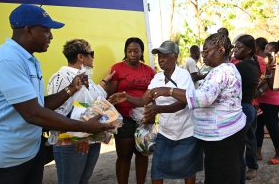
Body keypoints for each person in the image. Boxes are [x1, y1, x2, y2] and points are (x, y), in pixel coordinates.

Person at [0, 4, 113, 184]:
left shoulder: (30, 60)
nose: (51, 36)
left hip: (28, 152)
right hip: (2, 157)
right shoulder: (7, 59)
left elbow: (38, 104)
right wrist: (85, 127)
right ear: (28, 31)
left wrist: (70, 89)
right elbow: (32, 113)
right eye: (46, 31)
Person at [149, 28, 246, 184]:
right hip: (224, 134)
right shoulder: (224, 70)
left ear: (221, 50)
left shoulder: (221, 72)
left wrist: (170, 91)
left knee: (221, 177)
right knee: (226, 174)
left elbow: (204, 98)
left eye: (207, 51)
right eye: (203, 52)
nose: (204, 55)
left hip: (222, 137)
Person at [109, 40, 203, 184]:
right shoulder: (158, 77)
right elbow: (143, 100)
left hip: (185, 131)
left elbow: (184, 103)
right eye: (159, 56)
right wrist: (126, 97)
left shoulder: (183, 75)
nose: (161, 59)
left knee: (187, 170)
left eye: (165, 55)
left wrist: (159, 109)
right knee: (157, 171)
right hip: (166, 132)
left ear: (175, 56)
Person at [47, 39, 115, 184]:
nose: (93, 58)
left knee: (83, 180)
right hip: (71, 142)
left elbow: (95, 98)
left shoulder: (85, 77)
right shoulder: (61, 77)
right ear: (80, 57)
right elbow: (56, 112)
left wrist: (105, 81)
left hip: (91, 139)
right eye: (91, 54)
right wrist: (79, 136)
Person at [106, 37, 155, 184]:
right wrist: (115, 120)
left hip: (144, 118)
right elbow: (111, 97)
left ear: (141, 52)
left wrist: (153, 115)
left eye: (136, 51)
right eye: (129, 51)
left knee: (142, 152)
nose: (133, 54)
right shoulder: (117, 68)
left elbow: (153, 95)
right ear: (125, 52)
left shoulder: (149, 71)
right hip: (124, 118)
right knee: (124, 155)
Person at [233, 34, 261, 182]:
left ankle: (241, 178)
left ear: (249, 50)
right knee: (248, 140)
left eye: (239, 47)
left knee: (237, 149)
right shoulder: (252, 65)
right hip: (249, 107)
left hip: (242, 108)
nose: (235, 50)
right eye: (234, 47)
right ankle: (250, 168)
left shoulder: (241, 66)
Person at [255, 41, 279, 165]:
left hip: (272, 100)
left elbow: (273, 85)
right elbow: (264, 78)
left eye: (268, 48)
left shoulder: (276, 64)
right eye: (265, 48)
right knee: (258, 127)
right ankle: (258, 152)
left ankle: (278, 153)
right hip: (262, 100)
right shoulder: (268, 63)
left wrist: (259, 90)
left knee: (272, 127)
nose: (265, 50)